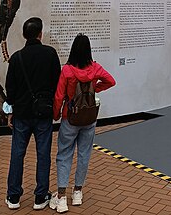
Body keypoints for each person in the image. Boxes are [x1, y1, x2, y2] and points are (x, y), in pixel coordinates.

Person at [50, 34, 116, 213]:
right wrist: (95, 89)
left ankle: (62, 197)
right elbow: (111, 80)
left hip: (70, 118)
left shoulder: (67, 71)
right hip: (89, 118)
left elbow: (58, 96)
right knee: (84, 154)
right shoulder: (95, 68)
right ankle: (78, 192)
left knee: (64, 154)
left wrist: (56, 114)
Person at [5, 17, 61, 210]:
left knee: (17, 154)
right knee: (43, 154)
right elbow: (57, 83)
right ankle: (40, 197)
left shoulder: (16, 57)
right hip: (43, 113)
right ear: (40, 33)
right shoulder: (50, 54)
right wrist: (55, 107)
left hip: (21, 113)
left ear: (23, 35)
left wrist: (9, 111)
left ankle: (13, 197)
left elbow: (10, 89)